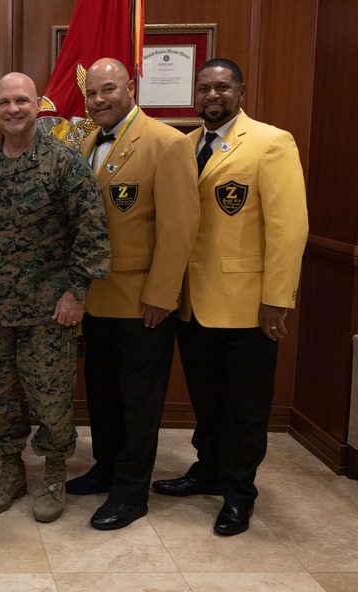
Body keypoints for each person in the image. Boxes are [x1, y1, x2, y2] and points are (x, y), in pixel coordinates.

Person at [0, 72, 110, 523]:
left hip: (50, 311)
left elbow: (92, 235)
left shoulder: (65, 163)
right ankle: (11, 470)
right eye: (5, 102)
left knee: (50, 399)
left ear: (36, 104)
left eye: (22, 100)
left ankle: (52, 474)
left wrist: (76, 294)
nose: (13, 109)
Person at [150, 58, 309, 536]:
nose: (212, 95)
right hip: (193, 302)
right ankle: (208, 470)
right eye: (204, 88)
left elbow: (288, 227)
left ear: (241, 91)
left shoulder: (270, 142)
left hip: (247, 306)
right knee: (208, 398)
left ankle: (239, 494)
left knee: (246, 406)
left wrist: (277, 298)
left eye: (222, 87)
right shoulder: (185, 145)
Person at [62, 58, 200, 530]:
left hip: (143, 301)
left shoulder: (167, 143)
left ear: (131, 87)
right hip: (94, 298)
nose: (99, 100)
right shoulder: (83, 142)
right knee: (102, 392)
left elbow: (180, 228)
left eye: (108, 90)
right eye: (92, 94)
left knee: (139, 398)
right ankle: (106, 467)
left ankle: (131, 492)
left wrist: (162, 294)